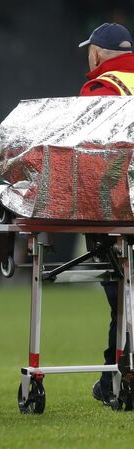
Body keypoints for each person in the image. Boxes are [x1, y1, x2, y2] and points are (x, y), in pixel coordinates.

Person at [76, 22, 134, 405]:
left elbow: (87, 153)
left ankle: (120, 375)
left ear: (97, 53)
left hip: (115, 207)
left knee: (122, 291)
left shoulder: (100, 88)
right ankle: (110, 375)